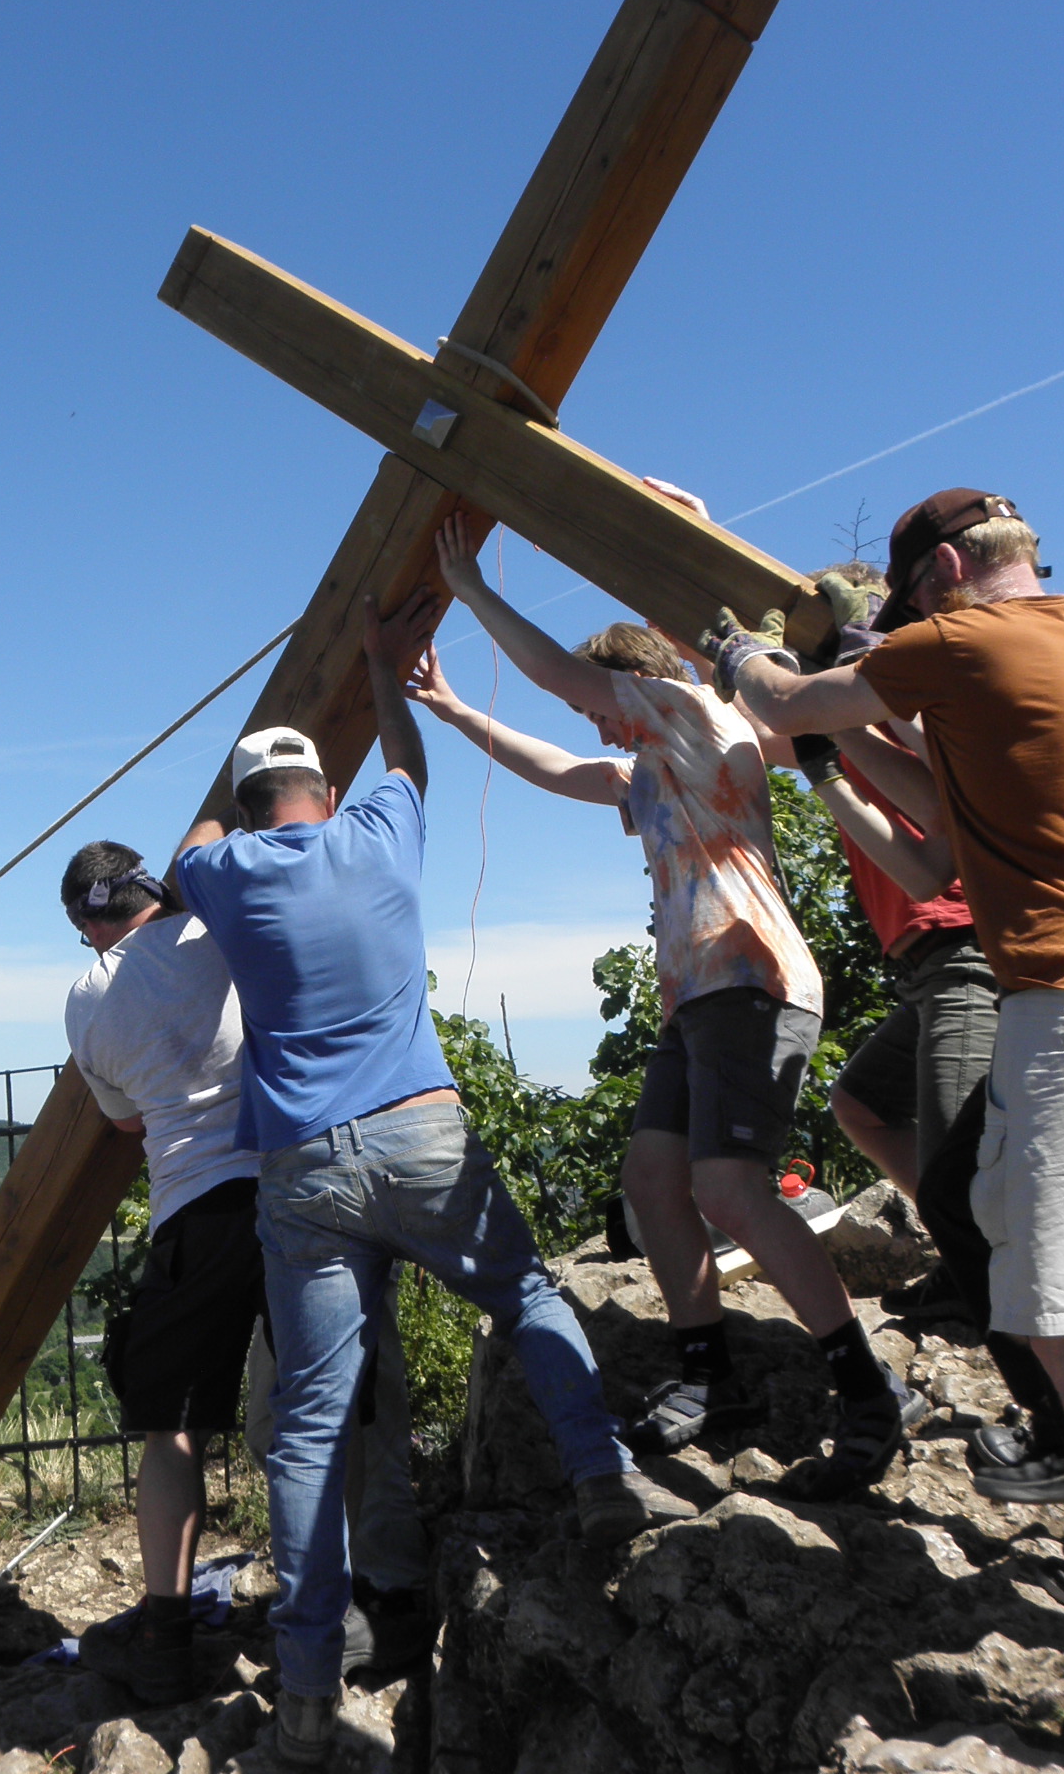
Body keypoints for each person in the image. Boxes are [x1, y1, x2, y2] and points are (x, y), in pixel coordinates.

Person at [171, 589, 681, 1766]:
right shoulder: (379, 831)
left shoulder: (234, 872)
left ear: (253, 807)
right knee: (527, 1296)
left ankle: (305, 1694)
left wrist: (233, 794)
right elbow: (408, 755)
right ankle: (600, 1479)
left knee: (307, 1431)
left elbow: (188, 850)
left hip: (303, 1172)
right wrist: (387, 672)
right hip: (420, 1134)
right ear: (329, 797)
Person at [706, 487, 1064, 1611]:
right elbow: (941, 857)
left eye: (917, 597)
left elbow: (783, 689)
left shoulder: (959, 638)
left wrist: (735, 651)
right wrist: (835, 762)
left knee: (1063, 1322)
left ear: (947, 578)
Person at [411, 514, 920, 1501]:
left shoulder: (695, 718)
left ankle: (866, 1387)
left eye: (610, 704)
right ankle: (708, 1378)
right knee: (653, 1183)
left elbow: (566, 680)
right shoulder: (653, 770)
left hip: (752, 977)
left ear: (639, 686)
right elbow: (560, 767)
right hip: (700, 997)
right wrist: (453, 709)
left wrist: (471, 590)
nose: (598, 724)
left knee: (727, 1186)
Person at [55, 841, 427, 1705]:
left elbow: (119, 1123)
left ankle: (164, 1632)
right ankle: (375, 1596)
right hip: (297, 1188)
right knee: (345, 1398)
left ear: (86, 923)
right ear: (151, 885)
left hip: (194, 1215)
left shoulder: (88, 997)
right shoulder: (224, 932)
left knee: (173, 1430)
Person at [794, 576, 1064, 1509]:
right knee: (862, 1106)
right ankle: (971, 1269)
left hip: (962, 949)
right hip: (927, 963)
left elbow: (935, 841)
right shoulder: (853, 709)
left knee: (964, 1184)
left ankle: (1060, 1419)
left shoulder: (900, 699)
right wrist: (823, 764)